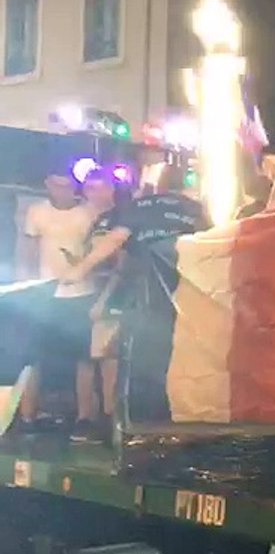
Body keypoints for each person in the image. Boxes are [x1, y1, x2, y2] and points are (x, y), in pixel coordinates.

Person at [63, 165, 211, 427]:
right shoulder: (195, 209)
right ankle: (183, 422)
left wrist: (79, 270)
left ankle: (144, 427)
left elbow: (115, 241)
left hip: (149, 298)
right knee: (187, 365)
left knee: (145, 365)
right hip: (192, 297)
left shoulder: (140, 206)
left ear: (155, 184)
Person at [14, 172, 98, 434]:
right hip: (45, 293)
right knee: (33, 357)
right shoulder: (36, 212)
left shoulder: (89, 214)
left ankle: (85, 417)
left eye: (66, 185)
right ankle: (27, 415)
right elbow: (27, 250)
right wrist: (25, 285)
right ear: (48, 185)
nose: (61, 190)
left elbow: (99, 251)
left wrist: (83, 264)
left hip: (82, 293)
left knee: (84, 357)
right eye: (56, 185)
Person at [75, 169, 128, 442]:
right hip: (89, 294)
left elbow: (121, 264)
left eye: (100, 188)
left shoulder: (119, 218)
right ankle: (89, 417)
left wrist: (105, 299)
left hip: (111, 297)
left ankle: (110, 420)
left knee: (108, 359)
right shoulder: (95, 221)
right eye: (90, 189)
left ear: (111, 189)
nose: (95, 194)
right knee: (88, 357)